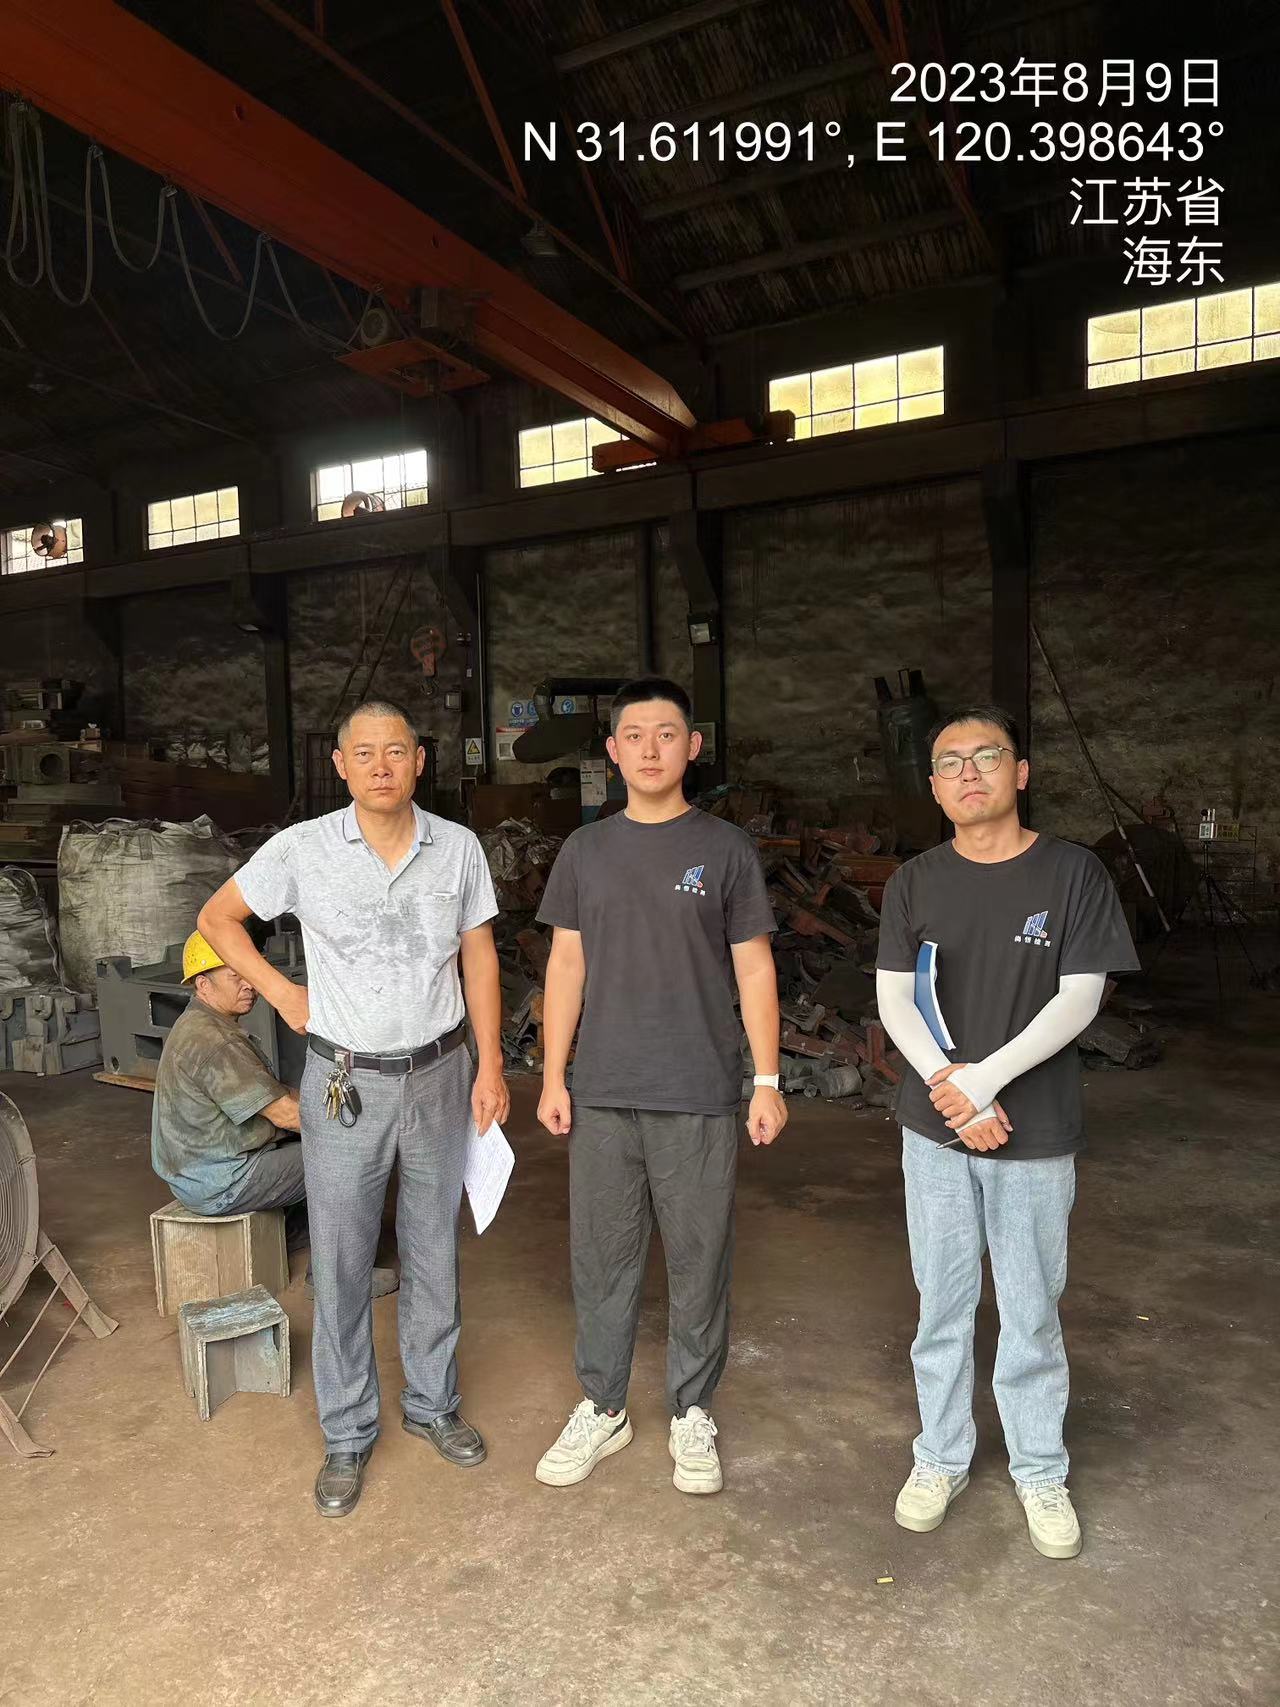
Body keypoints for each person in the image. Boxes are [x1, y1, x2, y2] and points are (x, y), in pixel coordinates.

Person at [198, 699, 508, 1519]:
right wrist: (280, 992)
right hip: (345, 1080)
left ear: (419, 759)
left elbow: (479, 956)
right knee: (339, 1256)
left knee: (432, 1244)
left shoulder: (458, 848)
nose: (380, 766)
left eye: (395, 751)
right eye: (363, 753)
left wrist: (490, 1062)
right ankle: (347, 1431)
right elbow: (217, 918)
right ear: (340, 764)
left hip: (440, 1072)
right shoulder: (302, 849)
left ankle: (433, 1403)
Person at [874, 704, 1139, 1560]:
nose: (970, 773)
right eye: (951, 762)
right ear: (934, 786)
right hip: (935, 1129)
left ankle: (1038, 1466)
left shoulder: (1073, 873)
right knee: (942, 1303)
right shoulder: (915, 880)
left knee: (1030, 1307)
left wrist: (984, 1082)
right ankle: (940, 1455)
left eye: (987, 756)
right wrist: (954, 1090)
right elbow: (893, 997)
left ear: (1019, 773)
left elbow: (1081, 996)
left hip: (1036, 1129)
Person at [533, 675, 786, 1496]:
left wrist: (767, 1079)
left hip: (698, 1088)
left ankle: (691, 1409)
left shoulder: (726, 849)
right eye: (634, 735)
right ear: (612, 750)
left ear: (693, 746)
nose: (650, 749)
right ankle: (603, 1405)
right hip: (605, 1089)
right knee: (601, 1257)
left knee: (699, 1255)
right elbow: (565, 965)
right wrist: (554, 1073)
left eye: (667, 734)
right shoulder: (586, 851)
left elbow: (755, 968)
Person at [150, 930, 397, 1298]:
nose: (250, 984)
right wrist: (361, 1129)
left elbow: (276, 1093)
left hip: (201, 1170)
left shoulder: (203, 1024)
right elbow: (283, 1113)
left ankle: (295, 1233)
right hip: (222, 1180)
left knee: (323, 1141)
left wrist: (333, 1105)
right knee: (349, 1159)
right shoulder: (213, 1041)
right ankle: (334, 1279)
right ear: (203, 984)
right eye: (235, 976)